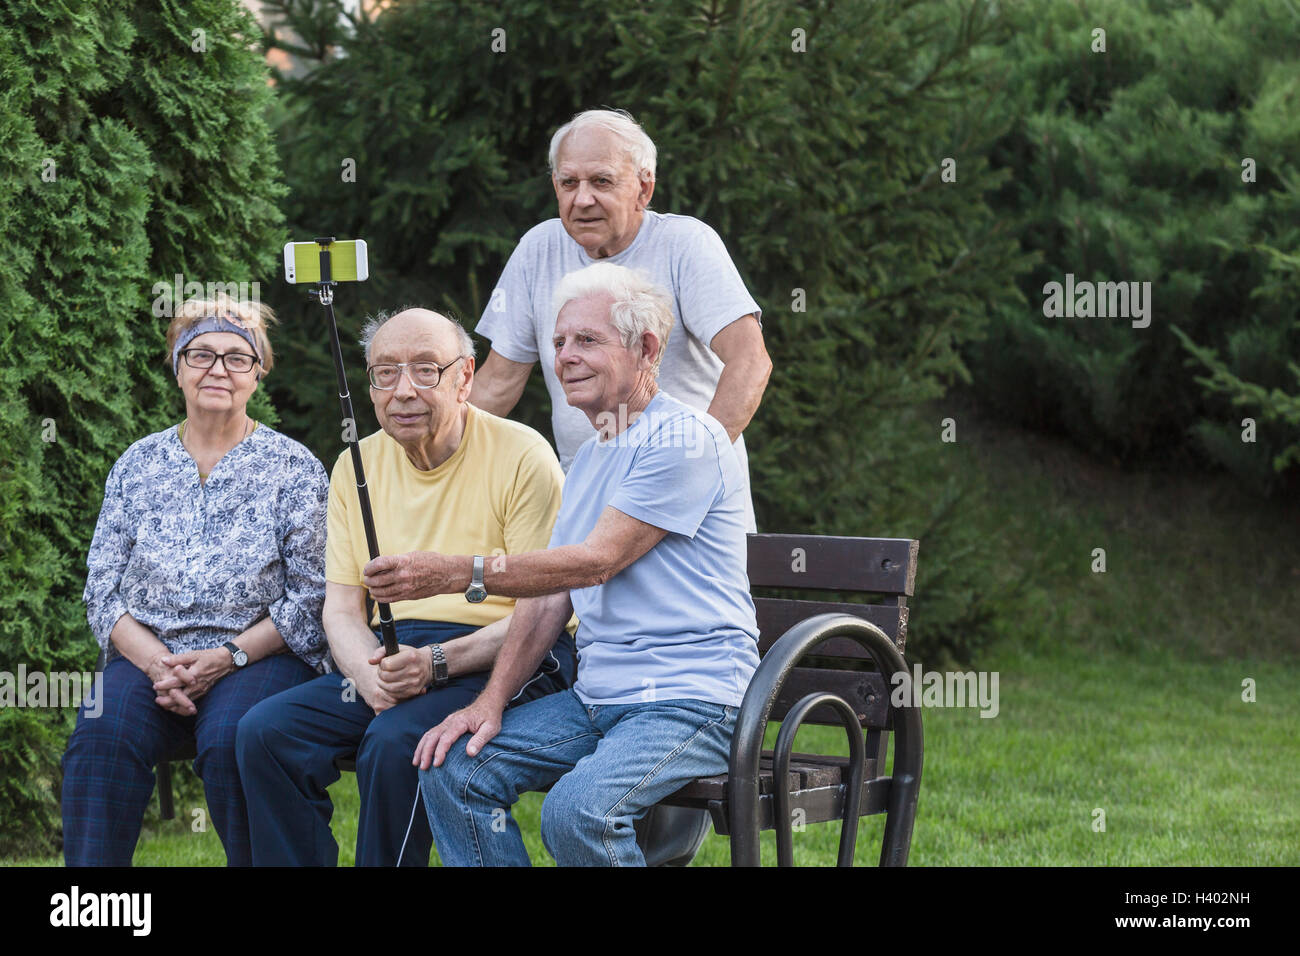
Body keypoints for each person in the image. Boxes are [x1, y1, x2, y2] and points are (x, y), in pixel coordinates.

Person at [369, 263, 759, 866]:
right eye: (558, 343)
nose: (566, 357)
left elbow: (596, 562)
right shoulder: (592, 455)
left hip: (694, 701)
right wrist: (490, 703)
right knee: (456, 770)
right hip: (600, 698)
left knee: (578, 811)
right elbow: (551, 597)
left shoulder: (685, 439)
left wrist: (458, 572)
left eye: (587, 340)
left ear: (646, 348)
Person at [236, 308, 576, 867]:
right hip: (393, 656)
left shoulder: (523, 455)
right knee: (266, 732)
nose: (403, 391)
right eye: (385, 373)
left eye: (426, 370)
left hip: (510, 652)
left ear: (465, 377)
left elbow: (545, 609)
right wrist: (373, 677)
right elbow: (343, 609)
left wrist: (436, 663)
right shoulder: (355, 464)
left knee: (396, 743)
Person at [63, 296, 329, 867]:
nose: (218, 369)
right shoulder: (137, 464)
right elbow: (102, 590)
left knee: (234, 738)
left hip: (257, 655)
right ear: (178, 366)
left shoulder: (294, 468)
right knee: (99, 737)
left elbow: (313, 596)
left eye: (238, 357)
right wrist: (158, 662)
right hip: (147, 657)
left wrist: (226, 657)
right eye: (202, 353)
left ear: (259, 373)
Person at [471, 107, 771, 533]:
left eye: (602, 181)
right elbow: (497, 384)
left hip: (691, 506)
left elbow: (751, 362)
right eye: (568, 183)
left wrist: (692, 468)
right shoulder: (538, 249)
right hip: (586, 497)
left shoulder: (685, 244)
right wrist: (416, 454)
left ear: (644, 188)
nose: (583, 198)